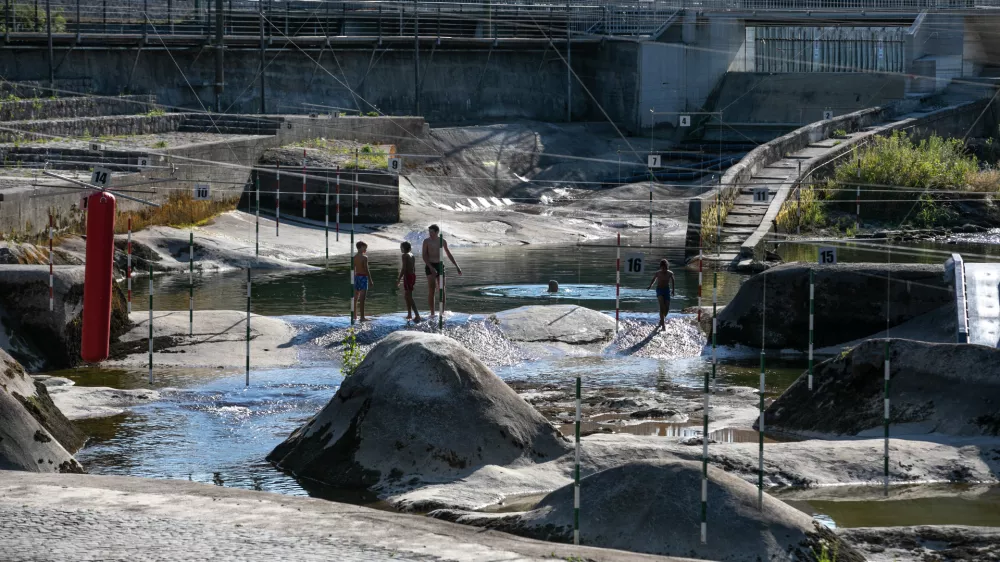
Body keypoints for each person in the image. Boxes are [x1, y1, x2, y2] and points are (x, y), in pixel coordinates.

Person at [422, 224, 462, 317]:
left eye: (432, 232)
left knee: (441, 289)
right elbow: (424, 256)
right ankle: (432, 313)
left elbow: (448, 254)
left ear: (436, 232)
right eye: (429, 232)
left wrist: (457, 266)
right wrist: (431, 268)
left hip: (440, 265)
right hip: (430, 265)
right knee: (431, 289)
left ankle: (442, 312)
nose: (430, 233)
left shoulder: (442, 241)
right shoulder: (426, 241)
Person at [396, 241, 422, 323]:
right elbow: (414, 268)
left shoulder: (405, 255)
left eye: (401, 248)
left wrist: (399, 279)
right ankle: (409, 314)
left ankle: (417, 315)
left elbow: (404, 268)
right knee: (406, 295)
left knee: (409, 296)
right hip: (412, 276)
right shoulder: (412, 255)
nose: (401, 249)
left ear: (403, 248)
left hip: (408, 276)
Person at [647, 259, 675, 331]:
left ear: (667, 267)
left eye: (665, 268)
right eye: (662, 268)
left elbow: (673, 281)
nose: (663, 270)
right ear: (660, 267)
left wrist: (673, 290)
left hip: (666, 290)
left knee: (667, 308)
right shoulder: (658, 273)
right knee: (662, 306)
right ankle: (663, 324)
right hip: (659, 290)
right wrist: (650, 286)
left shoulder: (670, 273)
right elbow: (654, 279)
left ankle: (661, 320)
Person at [353, 241, 372, 322]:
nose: (366, 250)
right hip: (363, 277)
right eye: (365, 248)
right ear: (360, 247)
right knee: (362, 299)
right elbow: (366, 269)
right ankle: (362, 317)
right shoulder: (365, 258)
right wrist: (370, 280)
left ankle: (354, 315)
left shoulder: (354, 257)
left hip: (356, 277)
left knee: (356, 297)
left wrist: (353, 279)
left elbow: (353, 269)